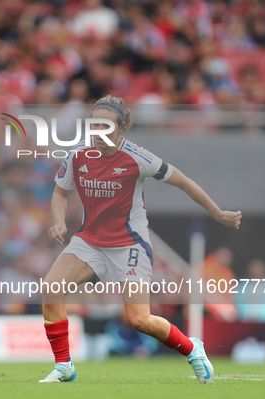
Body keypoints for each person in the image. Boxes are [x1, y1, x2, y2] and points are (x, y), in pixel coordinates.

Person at [39, 95, 242, 384]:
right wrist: (59, 221)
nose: (98, 131)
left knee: (139, 320)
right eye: (94, 124)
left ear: (121, 128)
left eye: (106, 125)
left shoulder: (139, 158)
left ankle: (192, 348)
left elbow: (183, 181)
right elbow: (60, 192)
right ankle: (64, 367)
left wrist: (217, 212)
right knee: (51, 288)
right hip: (90, 241)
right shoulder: (77, 154)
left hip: (128, 246)